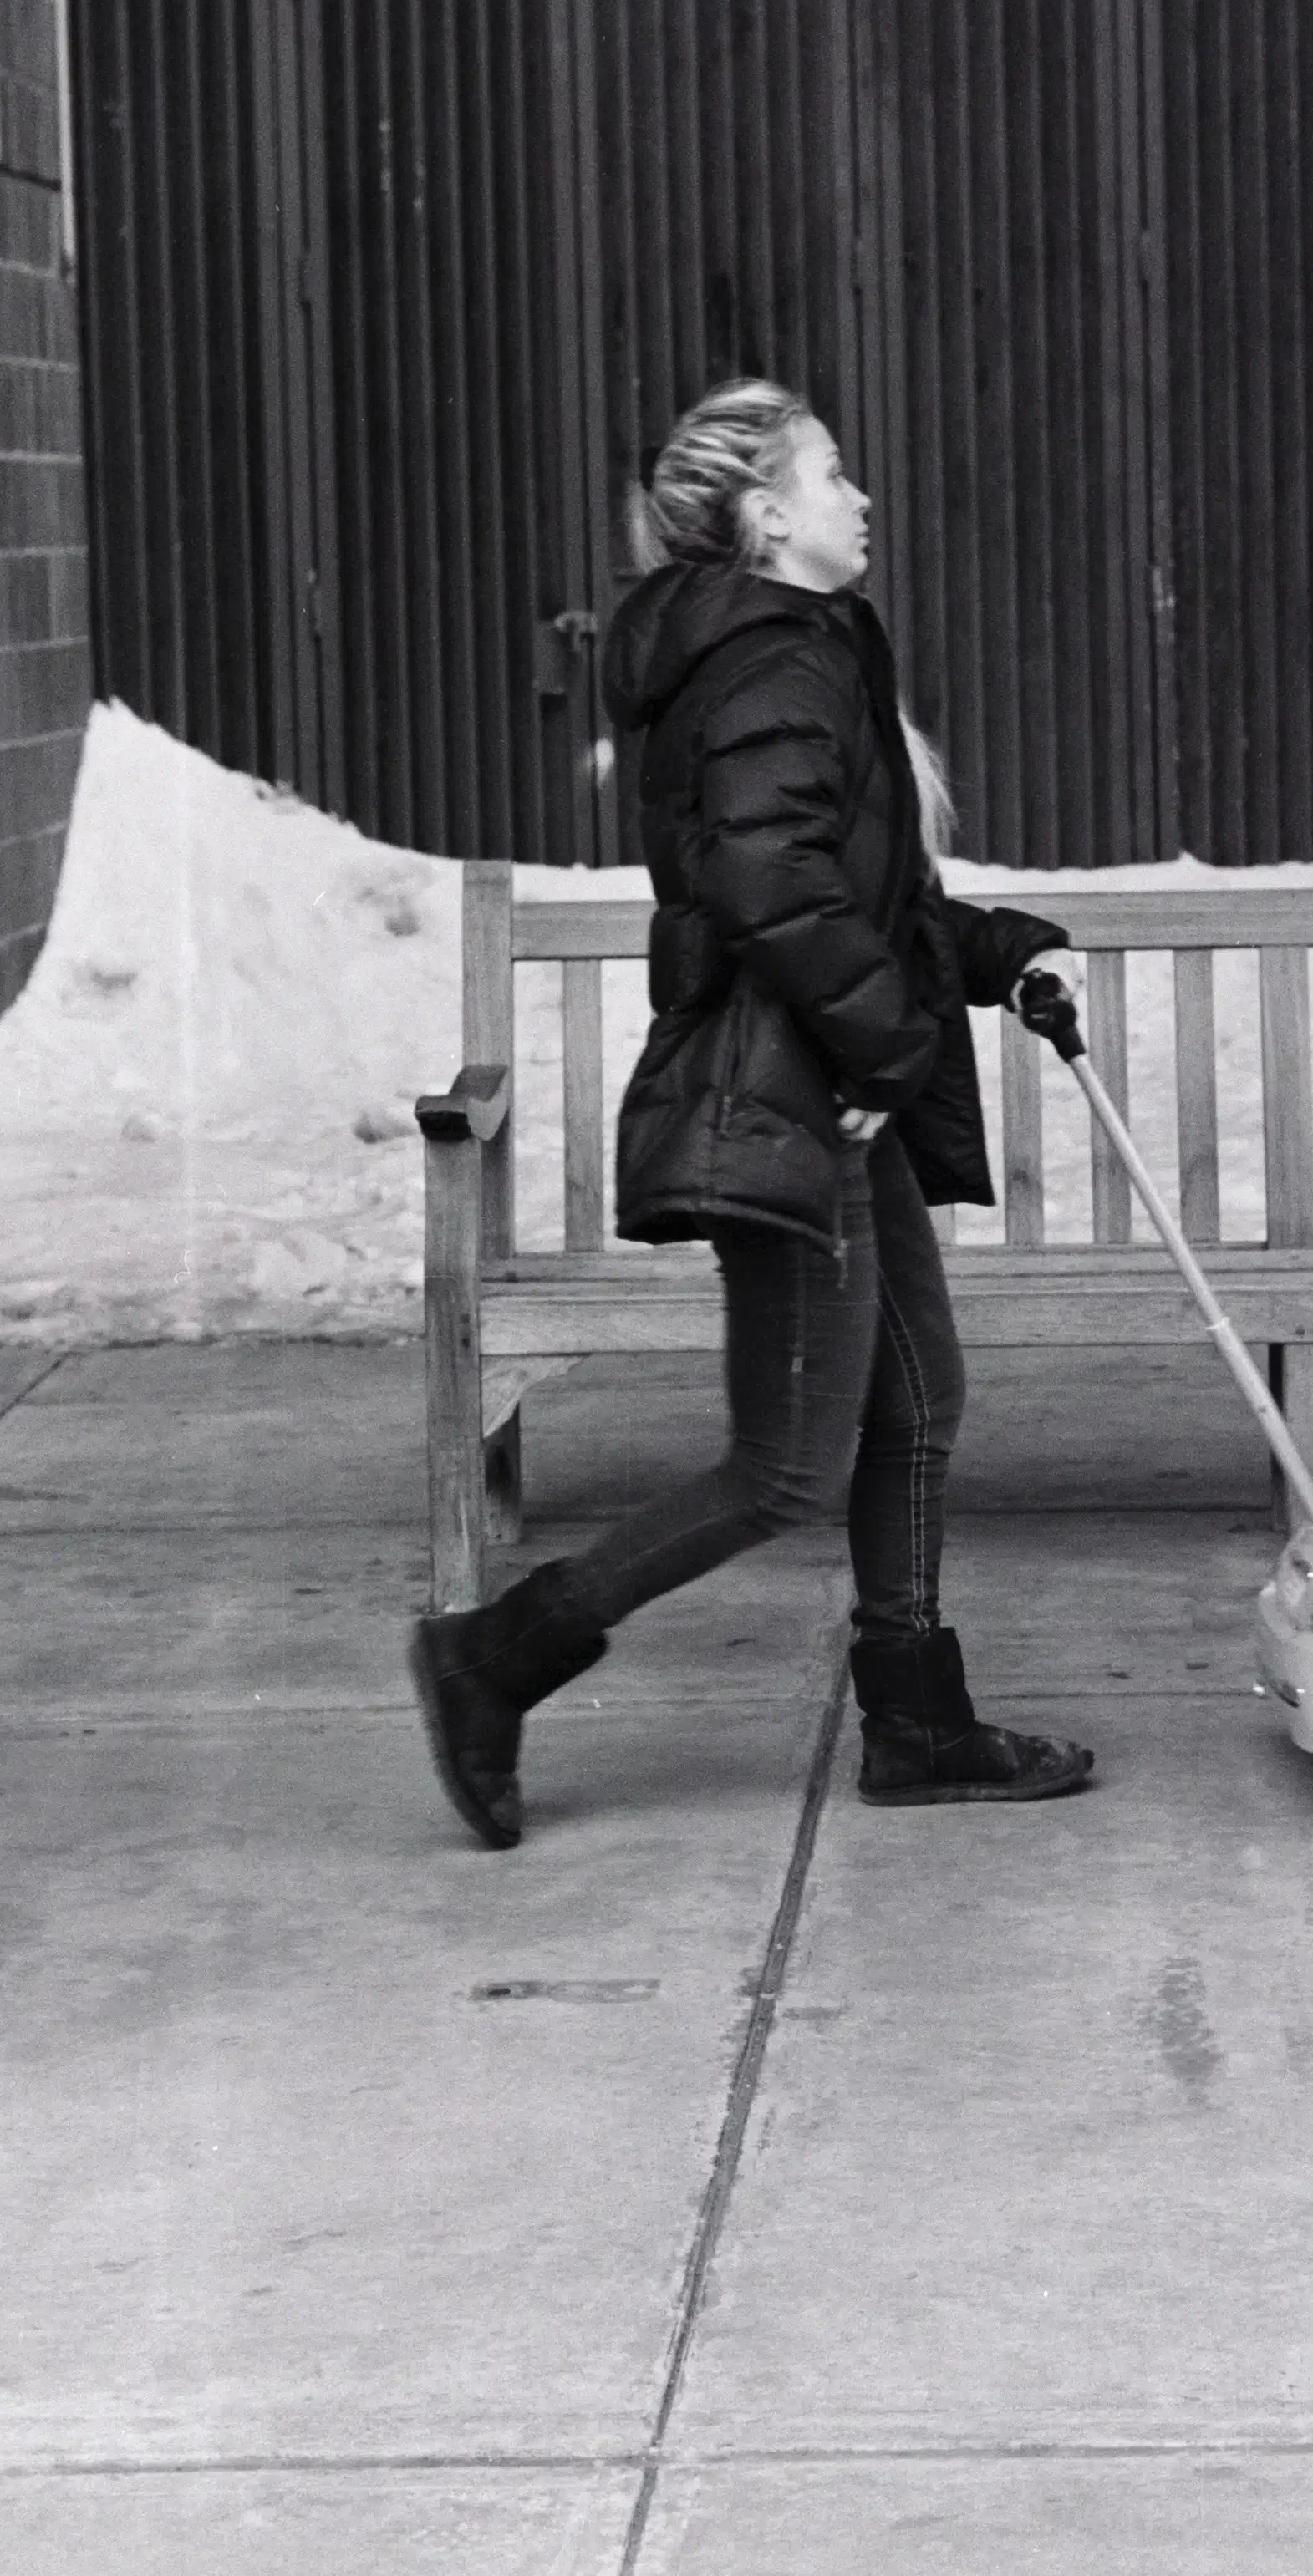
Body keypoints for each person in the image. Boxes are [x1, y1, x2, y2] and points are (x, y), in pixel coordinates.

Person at [408, 377, 1094, 1848]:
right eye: (833, 473)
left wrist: (993, 951)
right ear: (768, 516)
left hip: (831, 1083)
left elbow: (848, 893)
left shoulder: (803, 649)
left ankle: (915, 1722)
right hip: (792, 1100)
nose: (861, 498)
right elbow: (766, 885)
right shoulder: (769, 661)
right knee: (781, 1464)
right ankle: (495, 1656)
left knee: (915, 1403)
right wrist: (884, 1053)